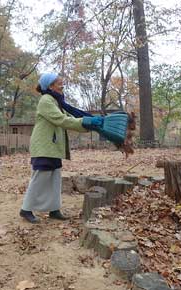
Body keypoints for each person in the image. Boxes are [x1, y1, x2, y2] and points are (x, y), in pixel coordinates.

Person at [20, 73, 117, 223]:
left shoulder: (56, 101)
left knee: (54, 178)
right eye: (59, 83)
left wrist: (88, 124)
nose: (62, 85)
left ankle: (54, 209)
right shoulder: (46, 101)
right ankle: (26, 209)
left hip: (52, 147)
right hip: (44, 146)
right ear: (50, 86)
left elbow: (69, 120)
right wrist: (86, 122)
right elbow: (62, 120)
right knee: (40, 178)